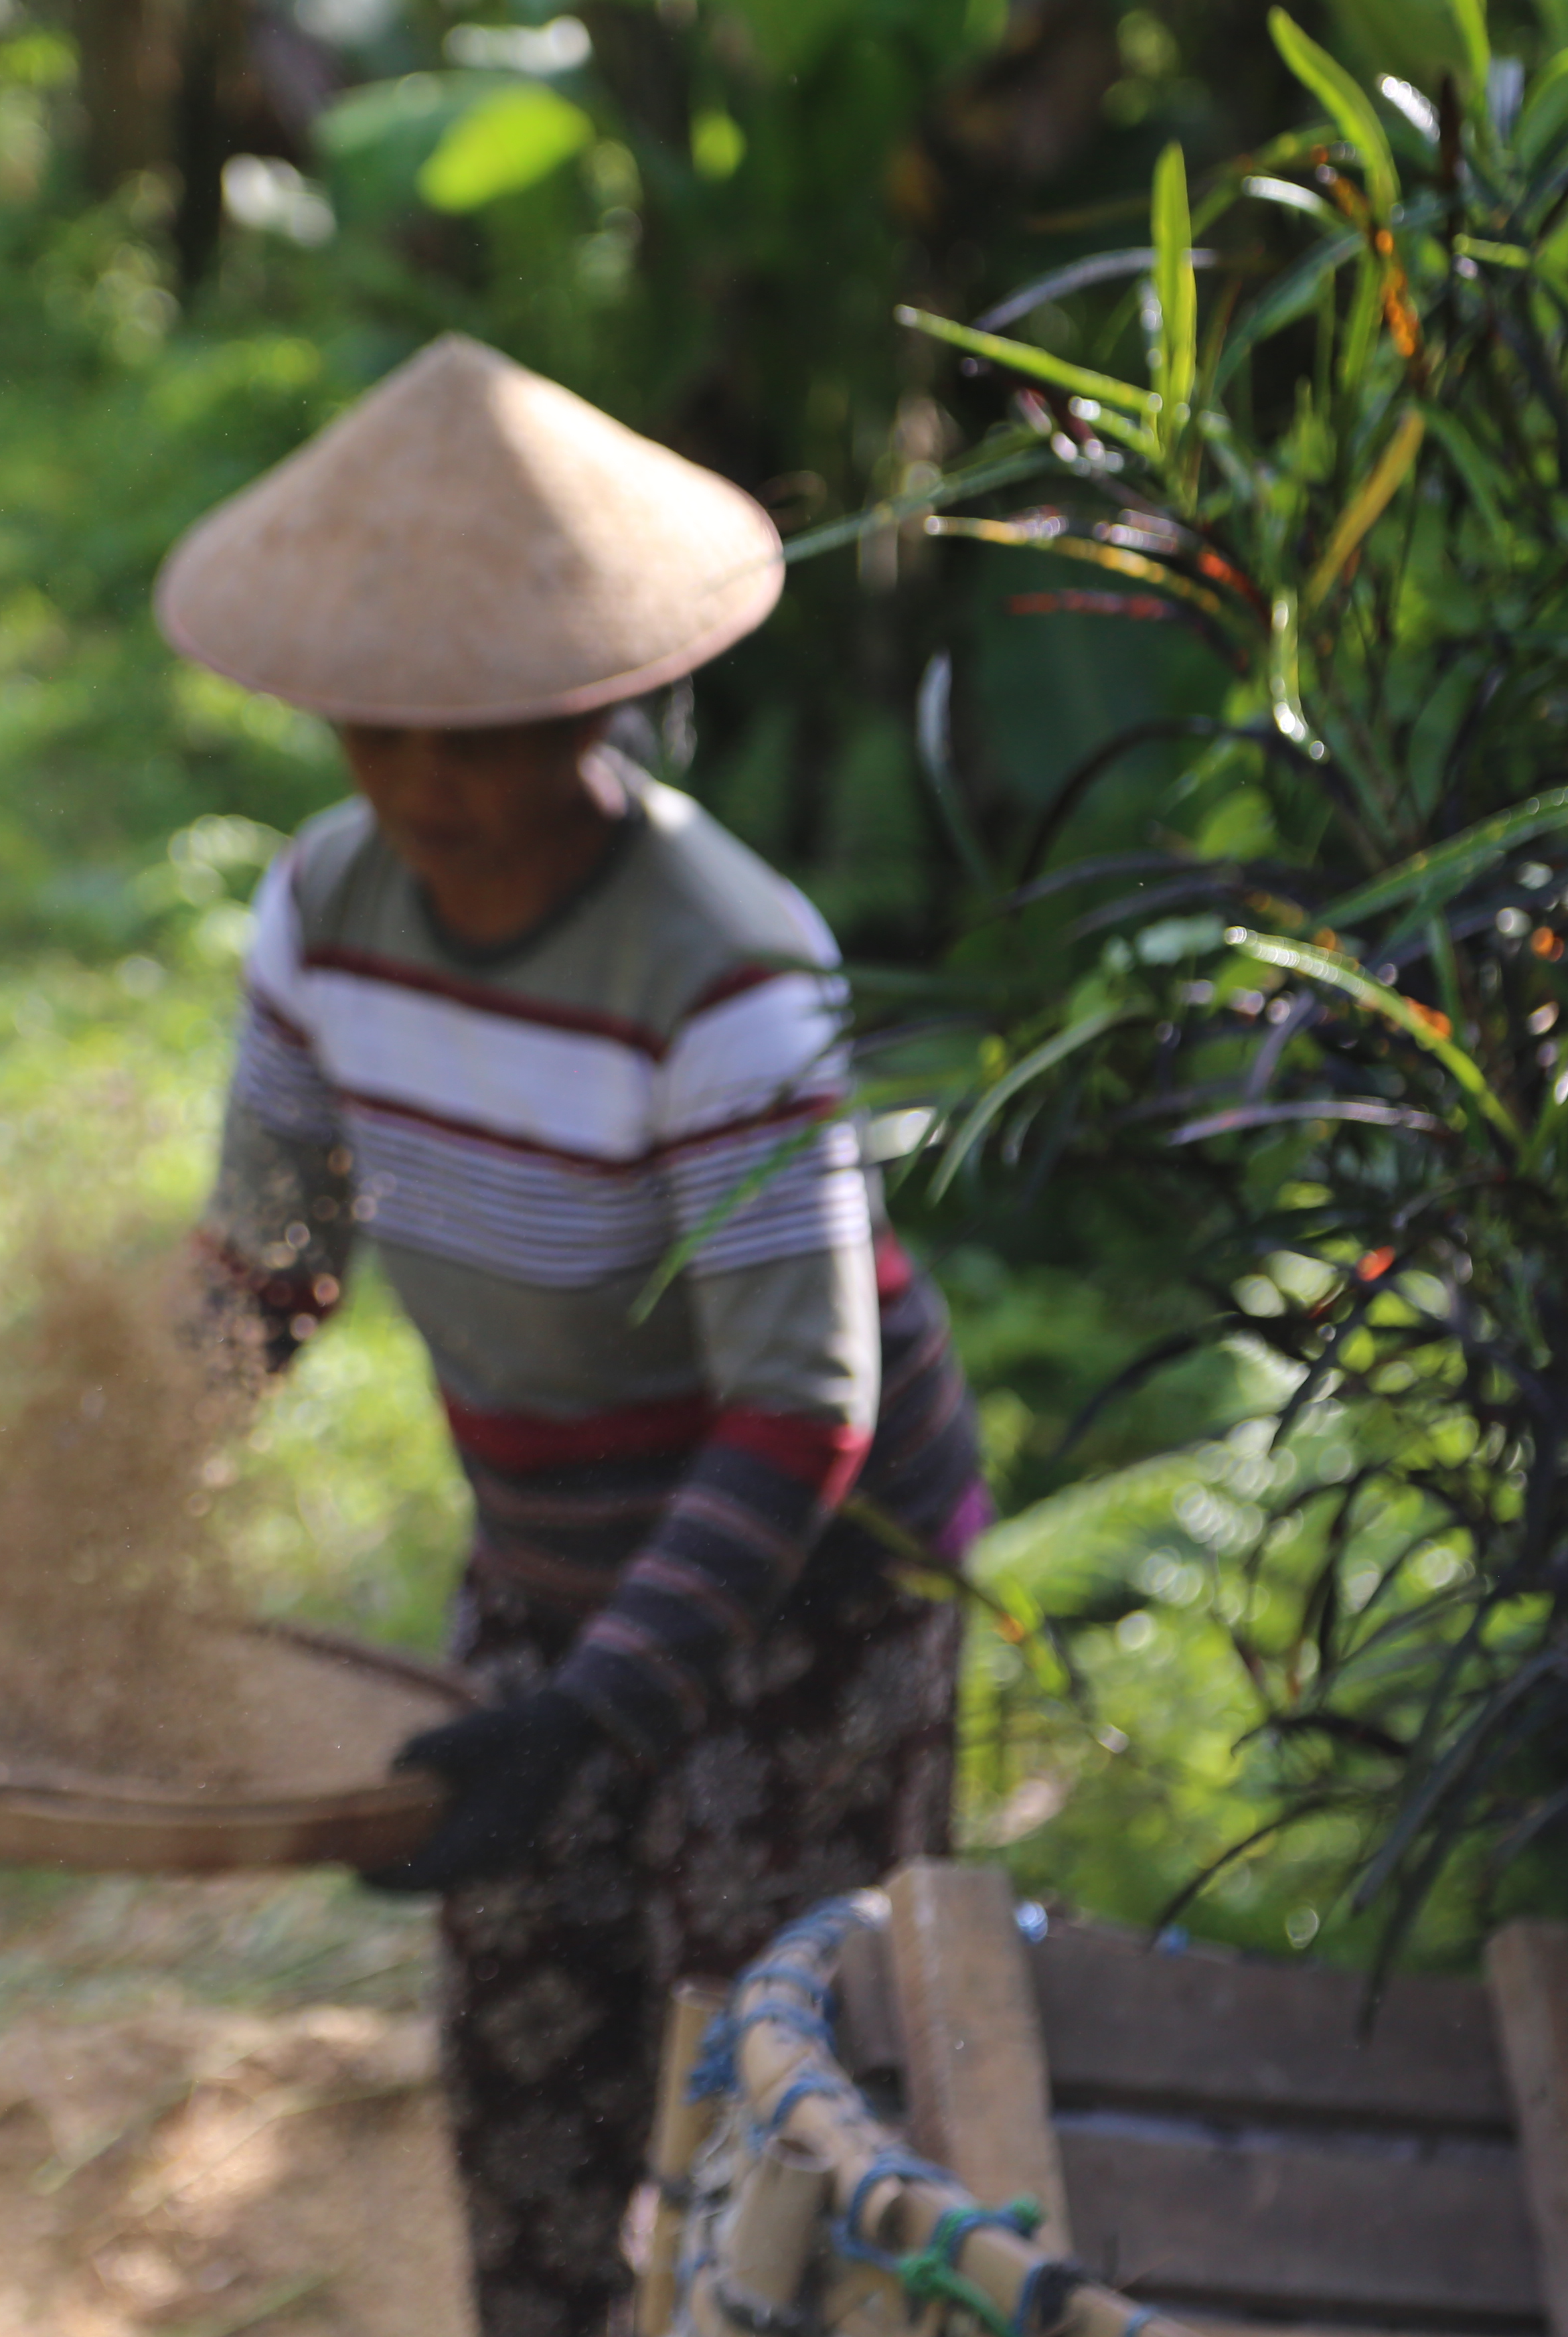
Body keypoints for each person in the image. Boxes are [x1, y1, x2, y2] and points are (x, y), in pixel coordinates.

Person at [159, 335, 991, 2337]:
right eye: (386, 731)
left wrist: (591, 1721)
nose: (434, 785)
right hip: (545, 1558)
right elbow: (271, 1268)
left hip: (806, 1599)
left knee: (785, 2102)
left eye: (490, 736)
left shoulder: (727, 967)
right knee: (527, 2055)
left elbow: (801, 1405)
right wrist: (93, 1502)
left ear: (608, 707)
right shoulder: (324, 911)